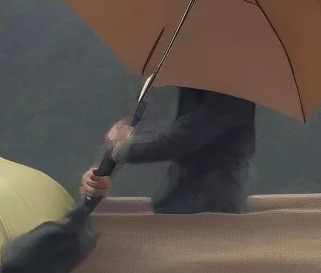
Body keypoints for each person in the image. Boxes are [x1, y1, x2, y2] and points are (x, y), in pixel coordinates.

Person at [81, 87, 257, 214]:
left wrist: (119, 151)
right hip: (173, 203)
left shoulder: (233, 93)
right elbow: (137, 124)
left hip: (215, 209)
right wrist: (98, 170)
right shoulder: (181, 82)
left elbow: (179, 140)